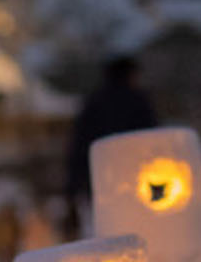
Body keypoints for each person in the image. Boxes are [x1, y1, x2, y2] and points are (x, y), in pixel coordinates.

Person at [63, 56, 158, 239]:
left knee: (107, 230)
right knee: (138, 229)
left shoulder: (93, 102)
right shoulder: (139, 101)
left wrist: (73, 188)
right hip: (135, 178)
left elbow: (78, 145)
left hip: (99, 180)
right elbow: (152, 140)